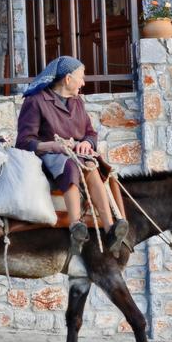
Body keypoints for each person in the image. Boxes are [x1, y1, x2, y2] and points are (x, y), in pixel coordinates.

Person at [16, 56, 128, 255]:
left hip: (78, 155)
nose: (83, 83)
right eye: (81, 78)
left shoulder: (77, 102)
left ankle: (111, 229)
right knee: (71, 166)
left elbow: (90, 133)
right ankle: (76, 227)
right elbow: (24, 142)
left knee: (92, 168)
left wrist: (87, 143)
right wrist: (54, 146)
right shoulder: (36, 102)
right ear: (68, 79)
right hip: (49, 156)